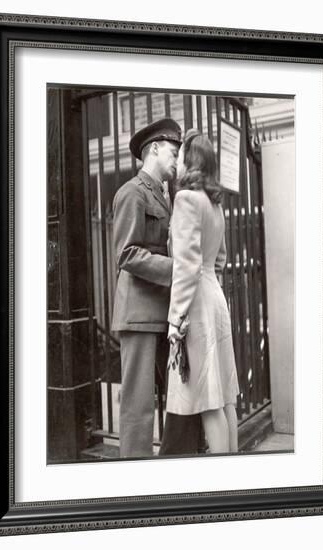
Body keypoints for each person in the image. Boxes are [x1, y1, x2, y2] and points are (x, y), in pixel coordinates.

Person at [112, 118, 201, 458]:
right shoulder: (131, 193)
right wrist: (178, 269)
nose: (177, 161)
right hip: (138, 313)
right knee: (138, 406)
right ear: (153, 150)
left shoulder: (167, 195)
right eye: (173, 153)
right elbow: (127, 253)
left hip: (162, 312)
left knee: (179, 395)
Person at [166, 129, 240, 453]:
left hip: (196, 302)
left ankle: (223, 483)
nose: (178, 162)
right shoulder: (214, 205)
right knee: (225, 397)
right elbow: (219, 260)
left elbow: (185, 266)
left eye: (180, 156)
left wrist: (175, 318)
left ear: (189, 161)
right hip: (215, 297)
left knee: (209, 399)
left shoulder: (185, 199)